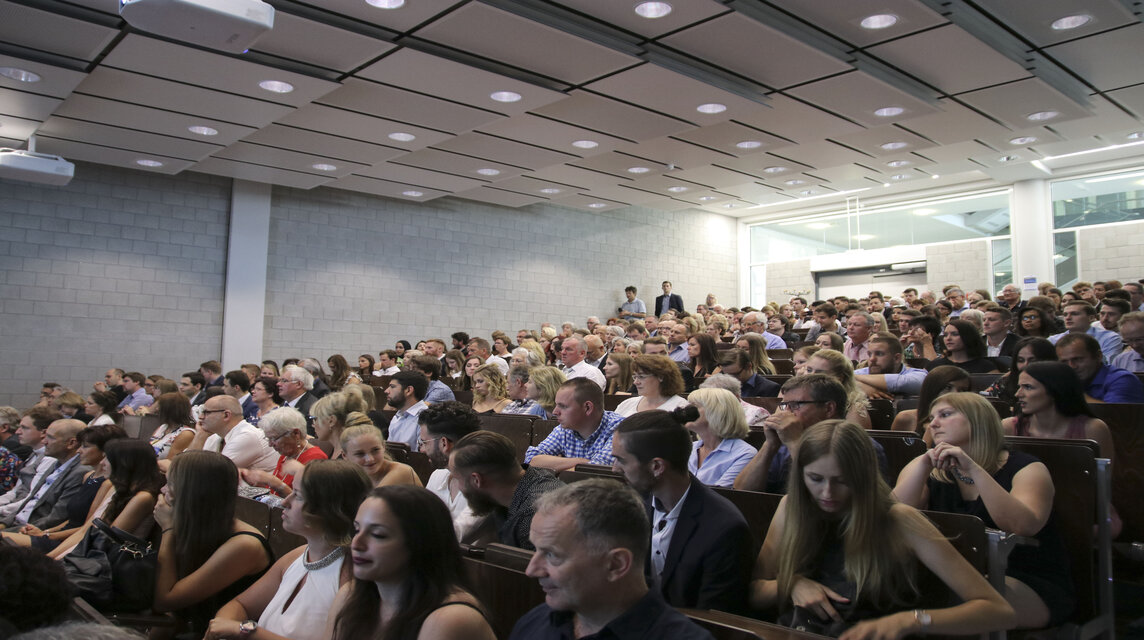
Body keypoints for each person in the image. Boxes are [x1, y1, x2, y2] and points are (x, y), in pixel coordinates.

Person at [751, 420, 1015, 637]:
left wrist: (911, 620)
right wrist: (791, 583)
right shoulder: (791, 507)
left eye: (842, 481)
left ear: (864, 477)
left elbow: (997, 610)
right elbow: (755, 592)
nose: (827, 492)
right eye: (815, 479)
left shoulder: (900, 520)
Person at [893, 393, 1073, 628]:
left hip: (1027, 577)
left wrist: (975, 469)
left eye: (945, 415)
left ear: (978, 421)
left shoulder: (1027, 468)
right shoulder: (928, 468)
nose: (933, 423)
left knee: (954, 604)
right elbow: (891, 516)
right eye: (932, 418)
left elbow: (1023, 526)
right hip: (950, 573)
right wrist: (923, 465)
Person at [510, 479, 714, 640]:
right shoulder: (535, 623)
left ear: (616, 564)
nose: (532, 570)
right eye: (536, 550)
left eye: (552, 555)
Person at [206, 460, 372, 640]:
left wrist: (246, 631)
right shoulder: (298, 555)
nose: (285, 501)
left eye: (298, 496)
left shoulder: (350, 577)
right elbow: (240, 605)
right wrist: (223, 628)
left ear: (327, 508)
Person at [609, 411, 753, 613]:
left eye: (621, 460)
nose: (614, 469)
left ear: (657, 466)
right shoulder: (631, 504)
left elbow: (715, 618)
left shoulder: (724, 528)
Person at [326, 485, 496, 640]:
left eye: (378, 535)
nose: (356, 544)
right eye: (357, 530)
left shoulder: (450, 619)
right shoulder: (350, 596)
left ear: (420, 543)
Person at [152, 451, 274, 637]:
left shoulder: (245, 545)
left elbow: (166, 600)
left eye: (169, 484)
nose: (162, 490)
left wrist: (168, 530)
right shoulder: (200, 528)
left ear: (191, 491)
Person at [1, 423, 126, 551]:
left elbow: (85, 528)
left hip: (66, 541)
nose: (79, 450)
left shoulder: (105, 483)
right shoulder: (88, 476)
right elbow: (69, 519)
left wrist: (46, 534)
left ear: (105, 452)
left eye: (85, 446)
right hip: (53, 532)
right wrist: (44, 532)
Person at [45, 439, 161, 559]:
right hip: (88, 551)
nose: (102, 463)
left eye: (107, 458)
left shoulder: (143, 497)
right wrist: (49, 557)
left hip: (104, 561)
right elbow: (85, 531)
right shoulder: (115, 488)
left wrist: (57, 561)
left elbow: (106, 539)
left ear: (124, 462)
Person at [450, 430, 563, 550]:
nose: (459, 487)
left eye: (457, 479)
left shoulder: (534, 517)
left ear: (476, 480)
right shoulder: (526, 480)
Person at [0, 419, 92, 530]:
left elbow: (56, 518)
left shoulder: (79, 473)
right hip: (16, 523)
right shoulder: (56, 463)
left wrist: (12, 531)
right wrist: (4, 524)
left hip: (33, 530)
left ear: (71, 443)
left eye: (51, 438)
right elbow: (29, 501)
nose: (44, 442)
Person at [418, 402, 484, 541]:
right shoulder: (438, 475)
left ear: (444, 443)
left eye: (424, 443)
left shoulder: (483, 483)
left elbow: (455, 535)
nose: (422, 450)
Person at [526, 378, 623, 471]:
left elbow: (598, 469)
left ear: (587, 408)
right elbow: (531, 459)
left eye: (563, 406)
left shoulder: (620, 428)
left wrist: (556, 467)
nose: (555, 412)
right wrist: (581, 461)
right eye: (556, 405)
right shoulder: (565, 428)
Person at [241, 407, 328, 497]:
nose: (270, 444)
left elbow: (306, 502)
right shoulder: (287, 454)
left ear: (296, 434)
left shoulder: (316, 458)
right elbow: (276, 493)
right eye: (268, 439)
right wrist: (257, 480)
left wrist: (272, 481)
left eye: (274, 438)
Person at [682, 388, 756, 488]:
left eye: (693, 406)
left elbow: (720, 494)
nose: (685, 412)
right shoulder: (688, 448)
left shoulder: (744, 453)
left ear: (716, 412)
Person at [188, 396, 278, 473]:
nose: (200, 417)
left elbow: (205, 473)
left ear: (226, 415)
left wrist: (200, 437)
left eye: (206, 412)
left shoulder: (247, 436)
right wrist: (199, 435)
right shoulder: (215, 436)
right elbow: (185, 467)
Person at [1055, 333, 1144, 403]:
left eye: (1078, 359)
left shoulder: (1122, 379)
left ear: (1098, 356)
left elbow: (1114, 417)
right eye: (1064, 362)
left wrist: (1075, 393)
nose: (1072, 366)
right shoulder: (1060, 380)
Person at [890, 365, 971, 436]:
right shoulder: (905, 418)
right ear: (932, 389)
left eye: (963, 390)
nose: (955, 394)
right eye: (948, 388)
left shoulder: (969, 422)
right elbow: (895, 452)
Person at [803, 349, 872, 429]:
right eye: (809, 370)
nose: (811, 376)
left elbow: (854, 441)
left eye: (819, 373)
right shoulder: (797, 401)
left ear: (839, 378)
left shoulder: (854, 410)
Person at [340, 420, 421, 487]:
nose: (370, 459)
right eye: (360, 454)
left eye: (375, 450)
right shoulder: (349, 476)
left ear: (383, 447)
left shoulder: (402, 471)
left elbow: (370, 504)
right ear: (344, 455)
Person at [982, 337, 1056, 410]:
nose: (1025, 365)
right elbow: (983, 402)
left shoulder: (1057, 384)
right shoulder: (1007, 380)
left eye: (1033, 360)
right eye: (1021, 360)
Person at [853, 335, 927, 399]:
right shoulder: (862, 372)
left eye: (879, 354)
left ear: (896, 358)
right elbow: (841, 382)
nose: (872, 359)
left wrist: (854, 380)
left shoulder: (919, 375)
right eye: (869, 354)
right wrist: (861, 387)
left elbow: (899, 383)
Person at [615, 354, 688, 417]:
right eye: (635, 377)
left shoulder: (680, 406)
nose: (636, 382)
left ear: (660, 377)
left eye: (641, 377)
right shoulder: (627, 404)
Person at [1049, 301, 1123, 361]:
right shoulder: (1053, 340)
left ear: (1091, 318)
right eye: (1065, 315)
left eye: (1074, 314)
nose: (1068, 318)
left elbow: (1109, 363)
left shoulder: (1109, 338)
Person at [310, 388, 370, 461]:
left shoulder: (351, 455)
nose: (313, 425)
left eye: (315, 419)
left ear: (331, 421)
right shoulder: (335, 448)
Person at [926, 319, 1001, 373]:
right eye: (945, 335)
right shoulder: (934, 365)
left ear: (968, 336)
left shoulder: (986, 367)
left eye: (955, 334)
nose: (948, 338)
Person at [385, 371, 430, 450]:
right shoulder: (397, 417)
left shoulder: (426, 418)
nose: (386, 391)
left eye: (392, 387)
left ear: (408, 390)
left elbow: (421, 457)